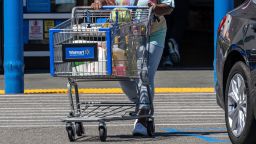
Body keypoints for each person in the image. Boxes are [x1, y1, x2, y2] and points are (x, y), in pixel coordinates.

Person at [91, 0, 174, 136]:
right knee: (121, 75)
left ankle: (142, 117)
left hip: (152, 34)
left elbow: (169, 6)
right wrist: (99, 2)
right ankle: (141, 105)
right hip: (125, 35)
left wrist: (155, 8)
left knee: (144, 73)